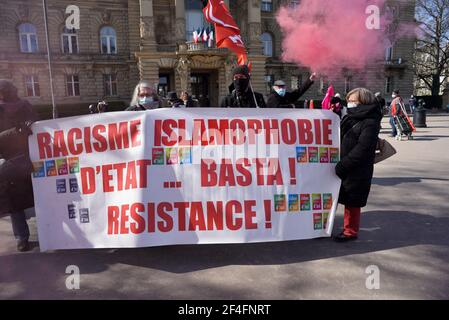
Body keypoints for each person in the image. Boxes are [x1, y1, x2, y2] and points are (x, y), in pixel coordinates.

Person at [334, 88, 382, 242]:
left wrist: (344, 165)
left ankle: (350, 232)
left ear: (363, 102)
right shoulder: (349, 117)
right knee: (334, 196)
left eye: (353, 101)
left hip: (356, 168)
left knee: (352, 201)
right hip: (343, 164)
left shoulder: (371, 122)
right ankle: (325, 227)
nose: (349, 104)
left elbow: (363, 148)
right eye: (348, 100)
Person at [0, 79, 36, 252]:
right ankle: (22, 237)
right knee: (15, 202)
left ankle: (53, 232)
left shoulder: (25, 105)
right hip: (11, 161)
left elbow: (36, 122)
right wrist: (14, 133)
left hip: (31, 157)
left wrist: (30, 124)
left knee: (43, 196)